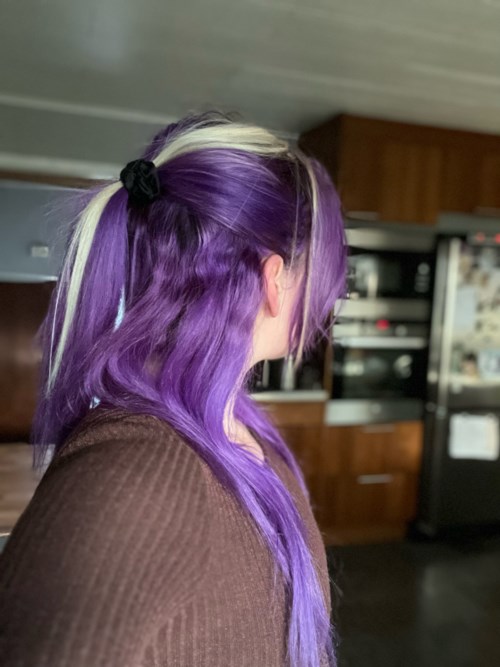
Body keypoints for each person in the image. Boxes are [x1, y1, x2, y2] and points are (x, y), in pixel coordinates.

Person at [0, 111, 347, 666]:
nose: (332, 297)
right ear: (275, 279)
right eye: (326, 272)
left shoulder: (240, 430)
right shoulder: (129, 480)